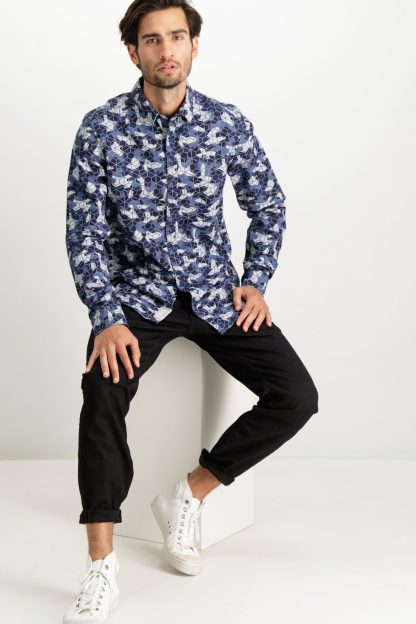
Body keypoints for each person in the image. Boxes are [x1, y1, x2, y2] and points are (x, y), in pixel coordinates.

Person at [63, 0, 319, 621]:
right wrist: (106, 315)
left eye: (177, 36)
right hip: (135, 299)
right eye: (152, 40)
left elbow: (269, 205)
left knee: (297, 396)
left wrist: (254, 281)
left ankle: (188, 494)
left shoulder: (225, 123)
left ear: (194, 45)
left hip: (213, 294)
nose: (166, 50)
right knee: (102, 393)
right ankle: (100, 566)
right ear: (134, 52)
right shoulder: (101, 128)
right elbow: (83, 232)